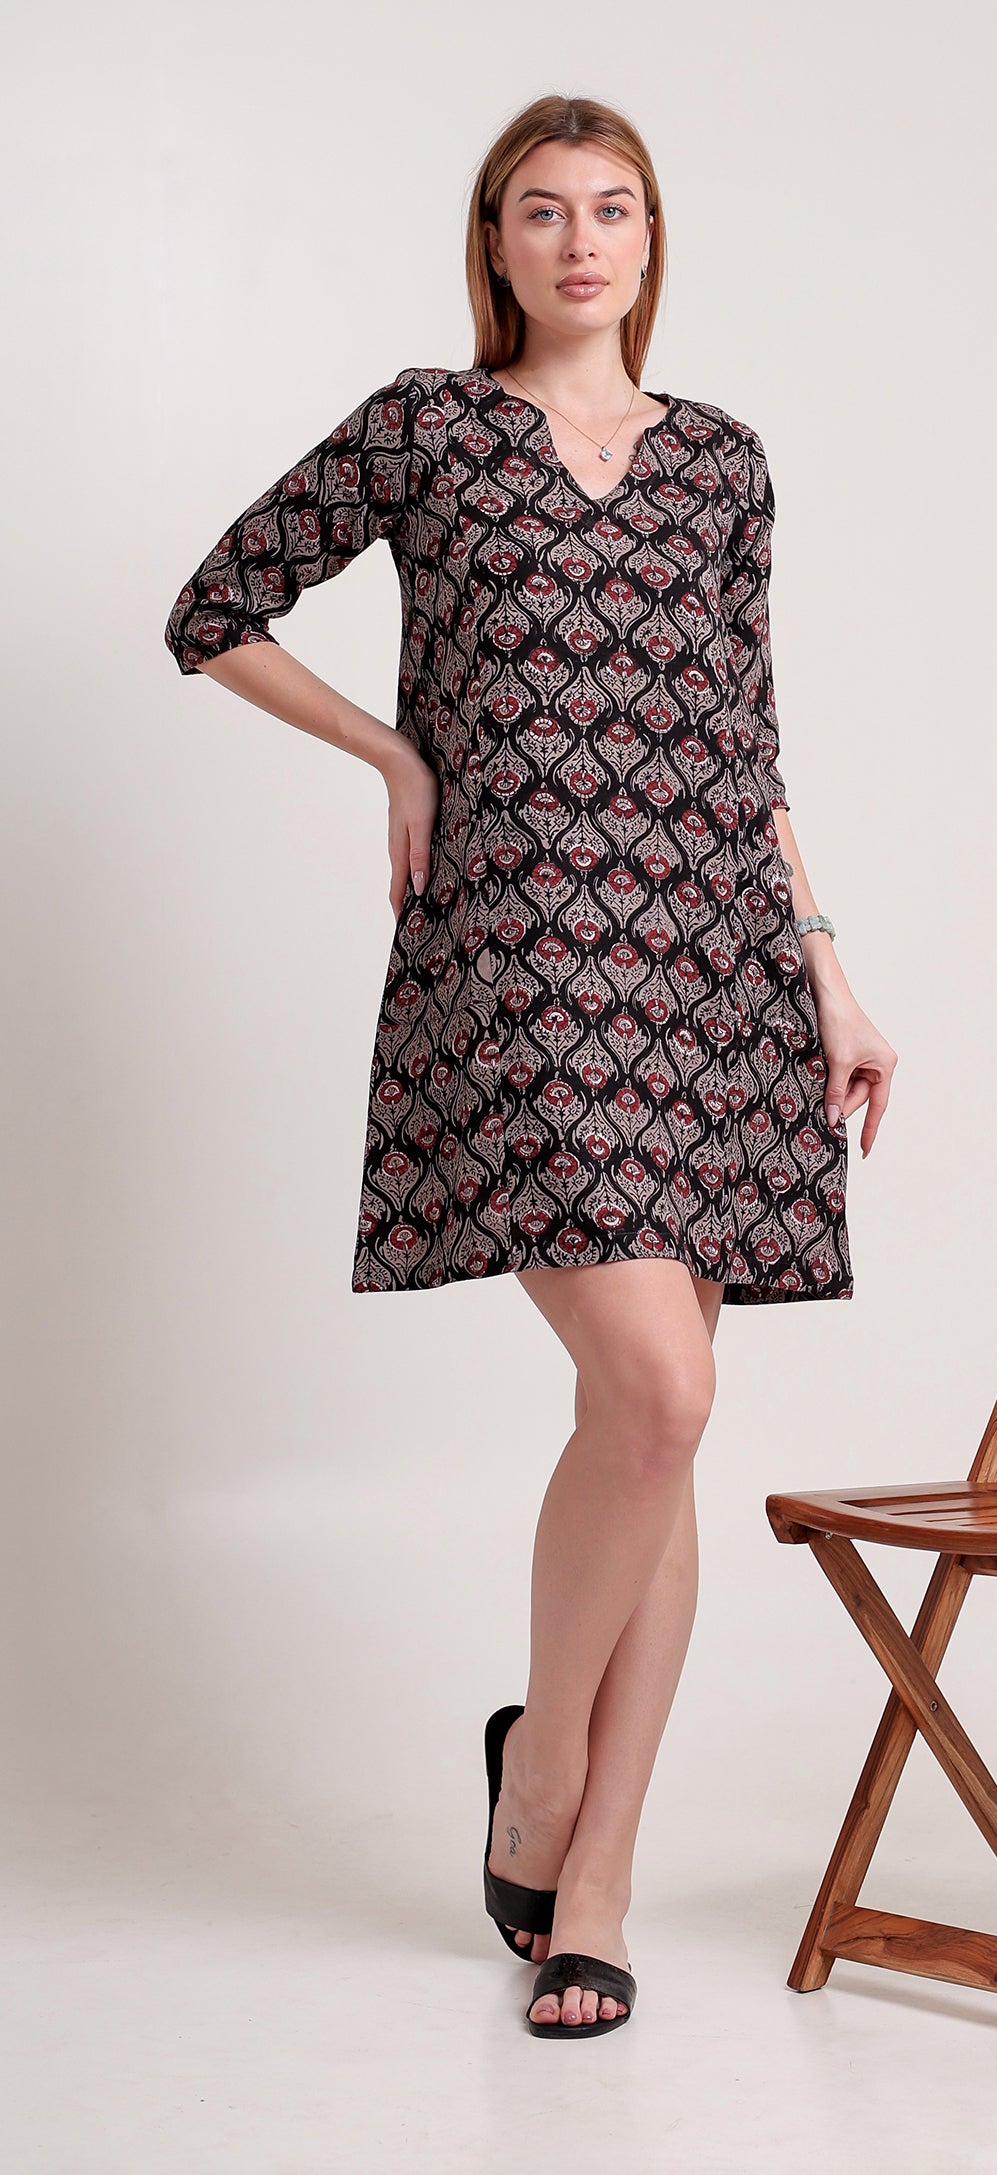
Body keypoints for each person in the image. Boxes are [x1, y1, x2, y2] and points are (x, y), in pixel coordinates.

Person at [164, 92, 896, 2039]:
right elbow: (209, 609)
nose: (580, 240)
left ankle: (597, 1871)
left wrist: (823, 964)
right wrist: (394, 752)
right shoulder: (428, 425)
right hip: (520, 966)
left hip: (713, 967)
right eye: (540, 211)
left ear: (652, 243)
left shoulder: (724, 465)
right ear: (494, 243)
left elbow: (744, 739)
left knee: (671, 1415)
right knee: (648, 1386)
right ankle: (547, 1778)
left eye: (614, 210)